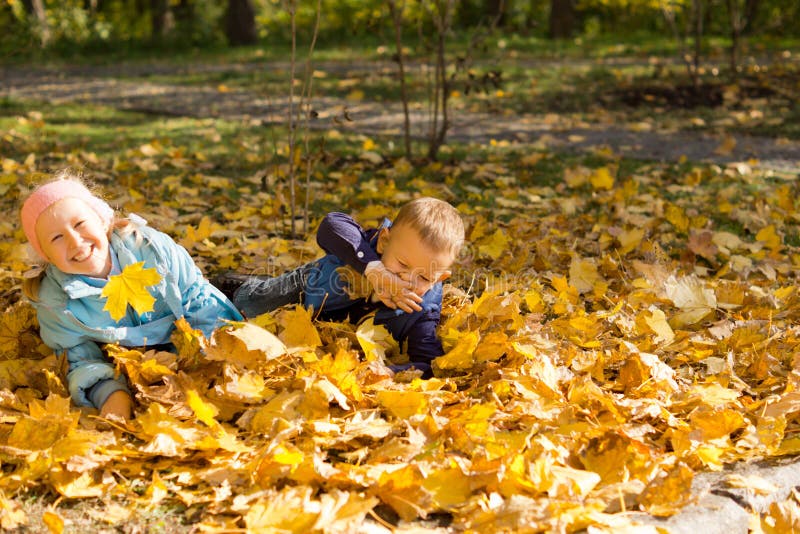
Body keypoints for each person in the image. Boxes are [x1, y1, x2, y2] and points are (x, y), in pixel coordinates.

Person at [20, 170, 242, 420]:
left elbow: (199, 299)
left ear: (102, 220)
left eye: (80, 224)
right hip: (142, 366)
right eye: (56, 237)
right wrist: (111, 394)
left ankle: (254, 287)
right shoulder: (57, 303)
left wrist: (209, 359)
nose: (74, 241)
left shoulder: (152, 249)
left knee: (255, 303)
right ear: (46, 256)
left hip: (194, 327)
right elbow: (78, 358)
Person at [216, 197, 465, 378]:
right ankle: (238, 285)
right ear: (384, 241)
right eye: (402, 264)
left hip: (328, 326)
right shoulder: (366, 244)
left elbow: (427, 360)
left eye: (423, 278)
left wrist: (390, 372)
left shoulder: (423, 306)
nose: (408, 281)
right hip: (310, 288)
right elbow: (331, 224)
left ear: (439, 278)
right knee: (250, 304)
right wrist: (375, 270)